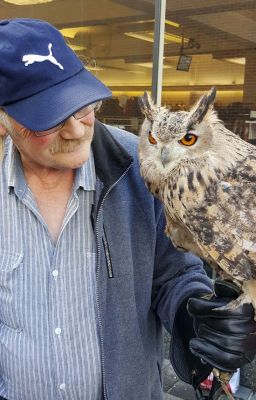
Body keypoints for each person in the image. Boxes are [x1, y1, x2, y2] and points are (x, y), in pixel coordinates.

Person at [0, 17, 255, 400]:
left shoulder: (139, 167)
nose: (75, 129)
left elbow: (174, 275)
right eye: (48, 118)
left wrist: (196, 321)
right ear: (4, 121)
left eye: (82, 105)